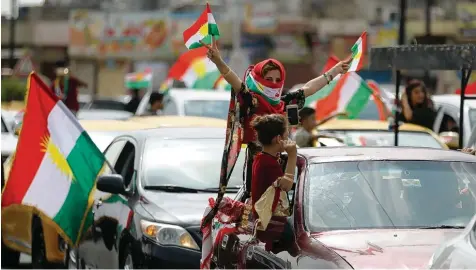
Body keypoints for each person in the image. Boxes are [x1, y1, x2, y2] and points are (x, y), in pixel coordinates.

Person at [200, 37, 350, 194]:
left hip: (283, 164)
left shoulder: (283, 103)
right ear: (258, 79)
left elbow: (309, 88)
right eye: (268, 79)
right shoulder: (252, 101)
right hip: (259, 165)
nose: (273, 83)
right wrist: (218, 61)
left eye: (278, 79)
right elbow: (234, 81)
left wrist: (335, 70)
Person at [250, 114, 296, 253]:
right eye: (287, 136)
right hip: (270, 224)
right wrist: (293, 155)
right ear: (278, 139)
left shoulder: (262, 158)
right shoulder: (267, 163)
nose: (289, 140)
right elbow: (287, 186)